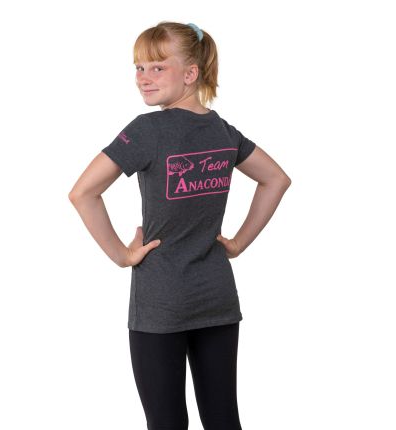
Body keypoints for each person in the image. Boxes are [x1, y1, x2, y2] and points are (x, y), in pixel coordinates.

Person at [69, 21, 291, 430]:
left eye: (157, 67)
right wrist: (238, 243)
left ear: (190, 73)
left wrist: (122, 255)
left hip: (160, 302)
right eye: (139, 68)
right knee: (223, 419)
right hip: (217, 297)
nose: (143, 78)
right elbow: (275, 179)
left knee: (166, 423)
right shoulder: (223, 132)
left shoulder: (147, 130)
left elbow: (83, 192)